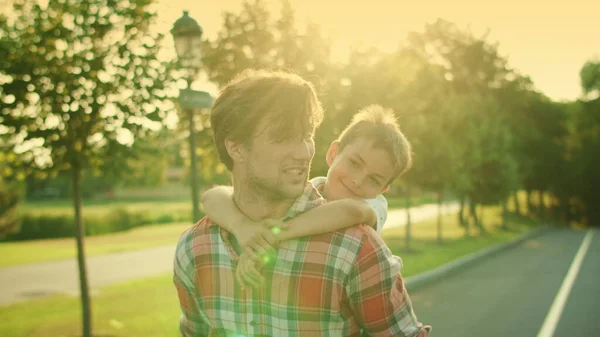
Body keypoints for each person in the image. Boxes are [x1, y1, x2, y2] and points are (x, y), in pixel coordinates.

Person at [173, 69, 431, 337]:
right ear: (236, 147)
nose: (305, 151)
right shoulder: (194, 248)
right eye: (284, 137)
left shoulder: (357, 247)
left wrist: (273, 234)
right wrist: (243, 226)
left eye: (307, 135)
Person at [202, 105, 409, 287]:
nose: (357, 181)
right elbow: (211, 197)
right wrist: (242, 226)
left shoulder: (373, 206)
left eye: (374, 180)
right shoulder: (305, 188)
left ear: (383, 190)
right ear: (333, 153)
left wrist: (270, 237)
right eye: (354, 163)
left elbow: (351, 211)